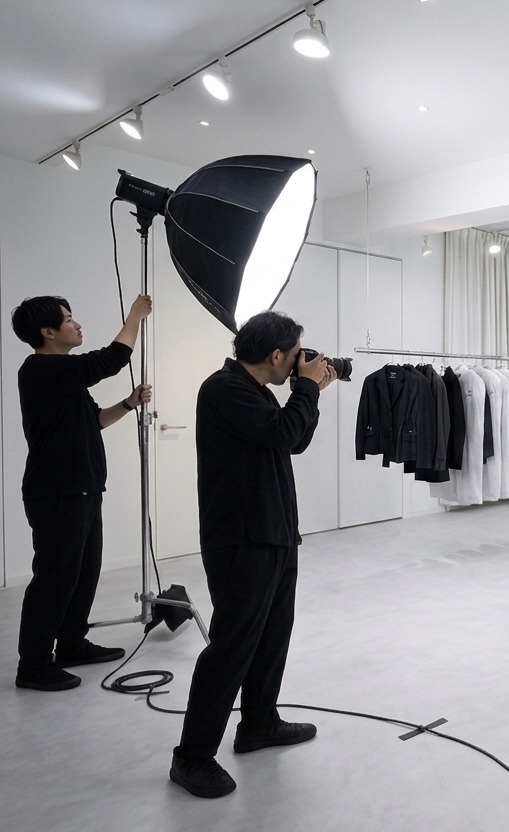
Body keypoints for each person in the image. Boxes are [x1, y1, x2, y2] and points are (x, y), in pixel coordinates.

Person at [170, 311, 337, 799]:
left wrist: (309, 392)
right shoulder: (224, 389)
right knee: (232, 647)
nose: (300, 363)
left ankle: (259, 723)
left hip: (274, 533)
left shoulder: (257, 391)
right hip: (241, 539)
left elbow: (293, 440)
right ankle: (192, 757)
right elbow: (284, 432)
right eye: (296, 355)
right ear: (277, 354)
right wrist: (306, 390)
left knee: (271, 637)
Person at [11, 294, 152, 692]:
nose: (77, 325)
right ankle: (33, 665)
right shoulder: (40, 369)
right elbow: (110, 359)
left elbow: (96, 421)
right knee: (54, 579)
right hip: (57, 492)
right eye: (69, 319)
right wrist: (134, 317)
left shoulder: (65, 379)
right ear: (48, 331)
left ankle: (71, 644)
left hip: (84, 489)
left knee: (83, 574)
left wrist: (128, 403)